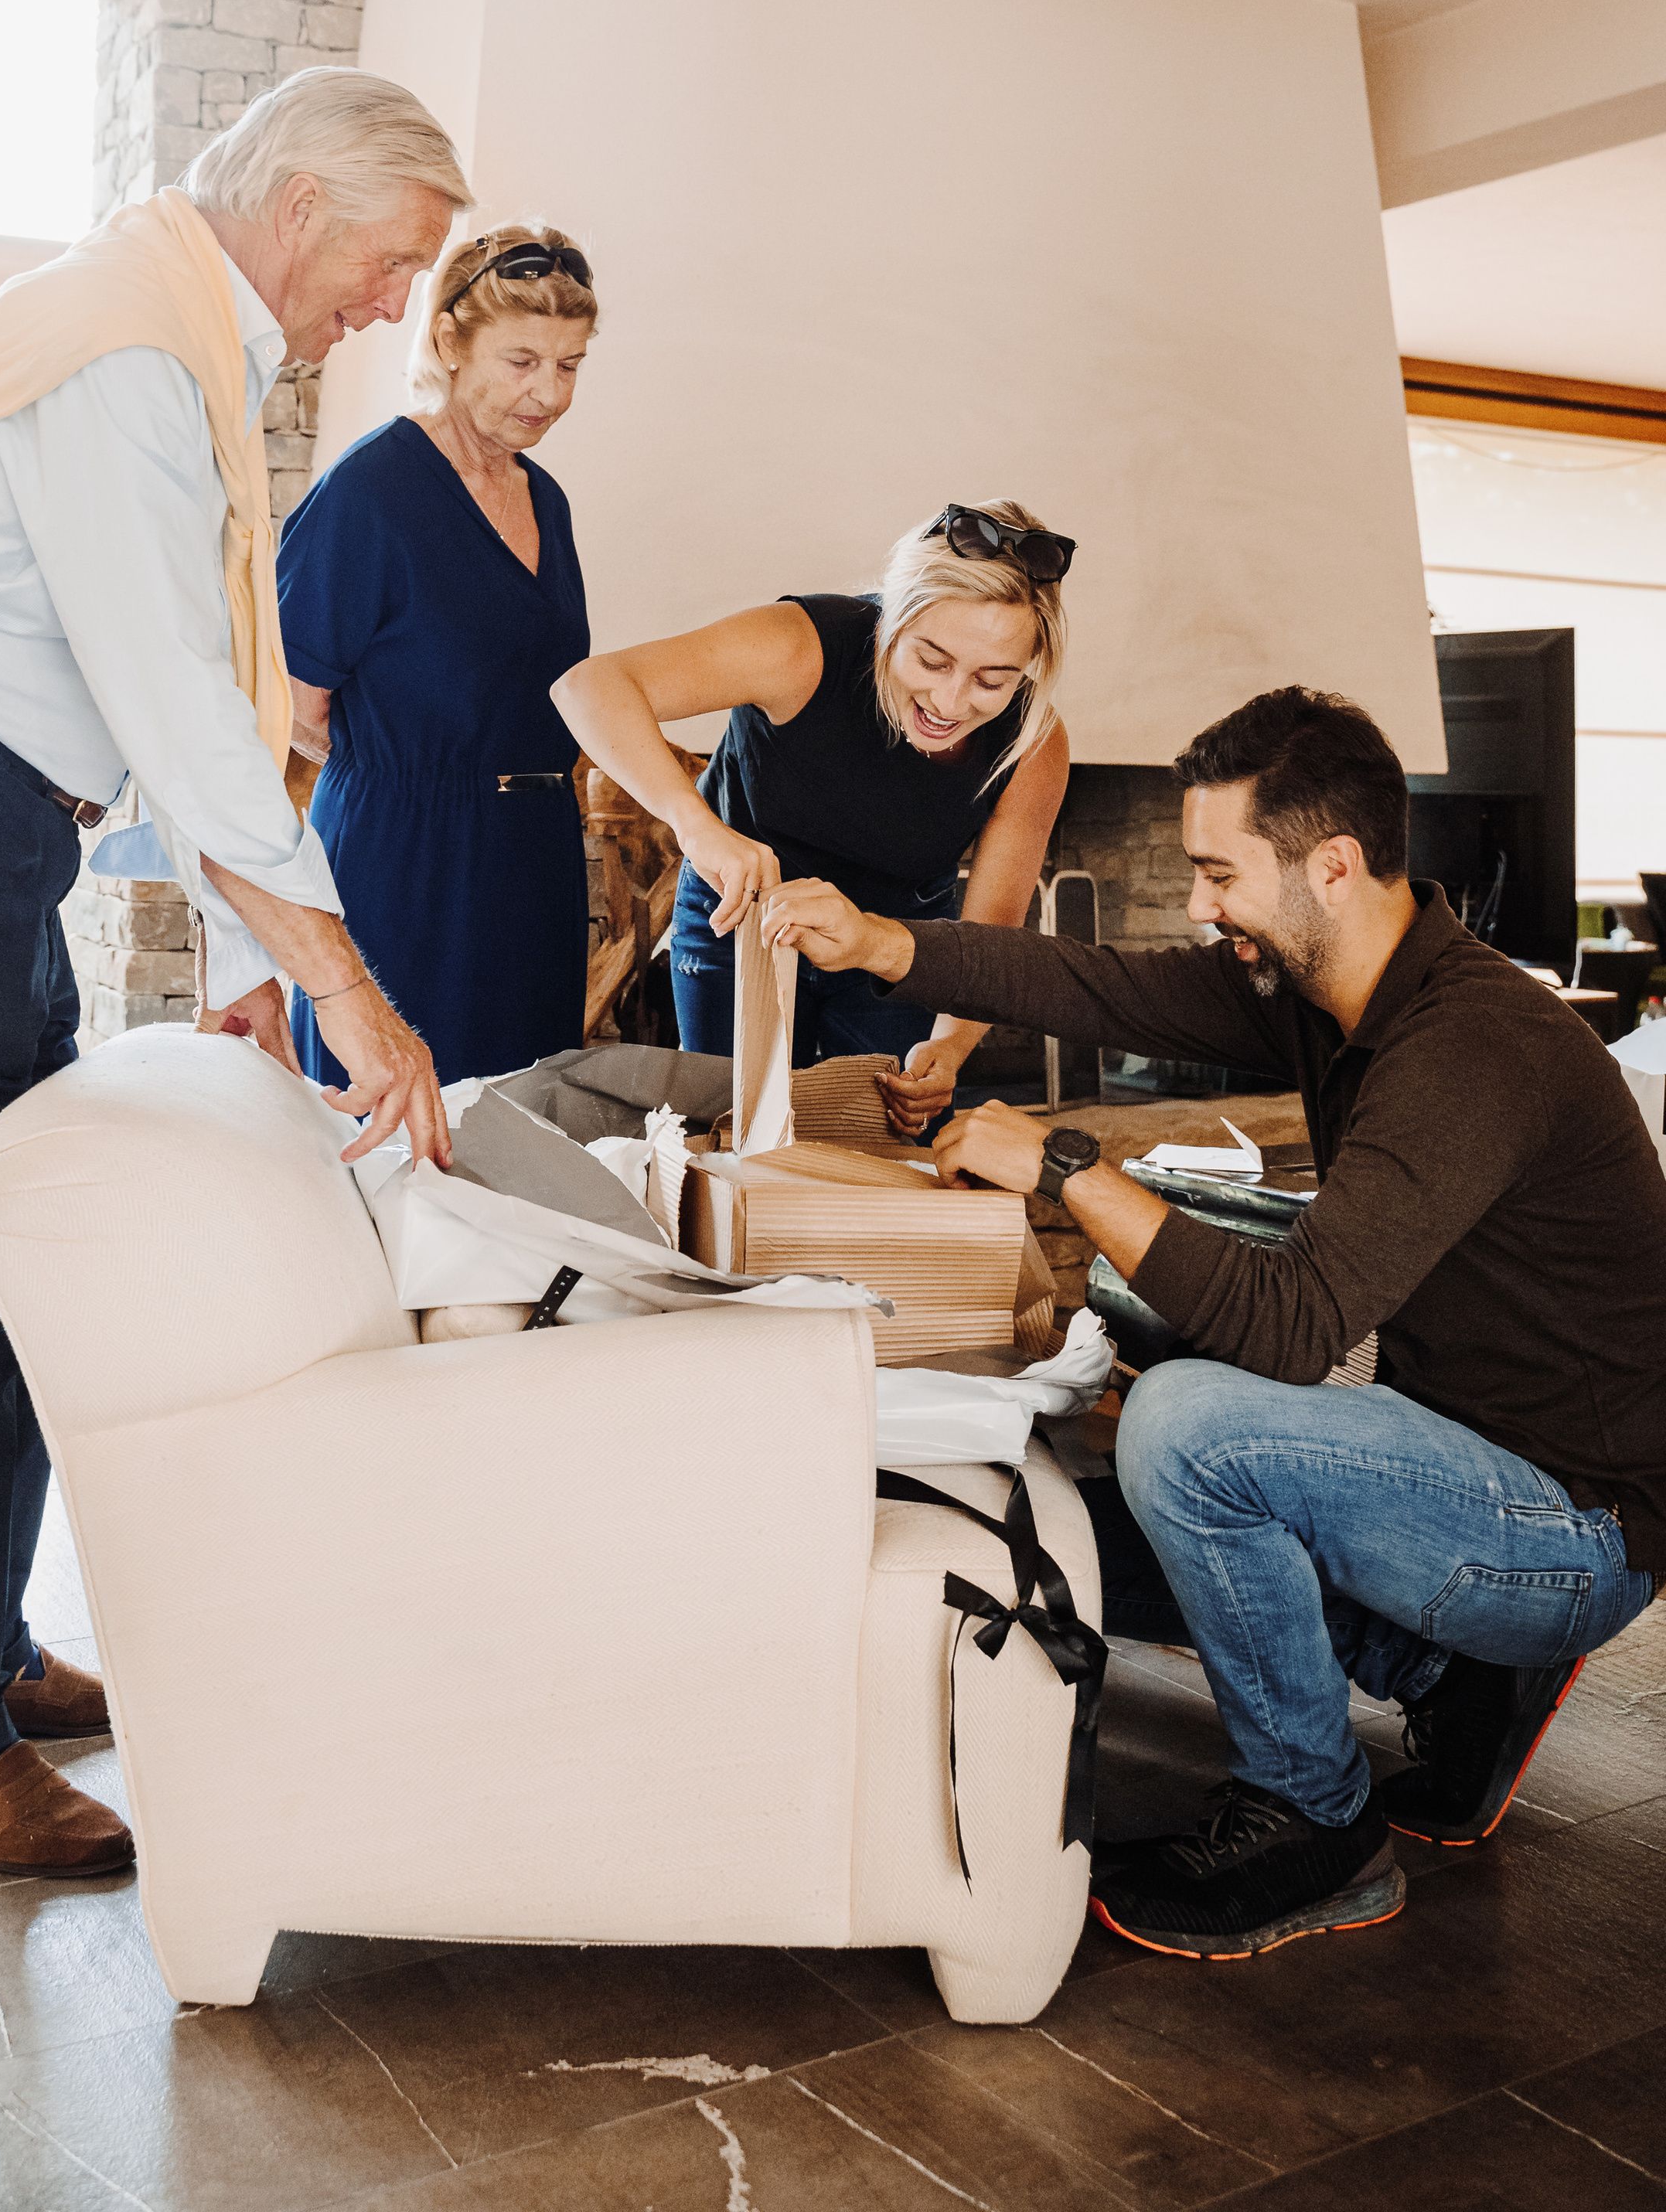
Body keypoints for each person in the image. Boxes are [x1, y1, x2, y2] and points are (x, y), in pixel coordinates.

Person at [0, 67, 472, 1883]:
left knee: (13, 1250)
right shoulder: (125, 355)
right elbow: (183, 707)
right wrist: (345, 993)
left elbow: (176, 700)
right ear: (302, 205)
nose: (387, 305)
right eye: (388, 262)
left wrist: (245, 967)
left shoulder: (169, 344)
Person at [761, 685, 1664, 1962]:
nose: (1199, 906)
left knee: (1187, 1425)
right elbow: (1100, 986)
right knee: (1080, 1510)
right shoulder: (1326, 987)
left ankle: (1317, 1822)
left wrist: (1068, 1163)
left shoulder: (1471, 1048)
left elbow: (1292, 1331)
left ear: (1333, 867)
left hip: (1571, 1527)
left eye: (1217, 873)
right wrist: (880, 946)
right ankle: (1452, 1679)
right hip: (1457, 1460)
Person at [552, 501, 1072, 1131]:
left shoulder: (1034, 744)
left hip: (895, 942)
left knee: (889, 1139)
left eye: (993, 681)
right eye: (931, 661)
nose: (950, 700)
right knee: (731, 1129)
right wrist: (700, 829)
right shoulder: (802, 645)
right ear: (889, 622)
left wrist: (950, 1048)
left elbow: (992, 933)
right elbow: (589, 687)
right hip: (742, 915)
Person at [275, 222, 597, 1084]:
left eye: (568, 366)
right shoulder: (372, 491)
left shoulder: (547, 500)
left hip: (534, 863)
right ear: (450, 341)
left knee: (522, 1134)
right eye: (521, 361)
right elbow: (292, 715)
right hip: (404, 861)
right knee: (394, 1135)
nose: (548, 393)